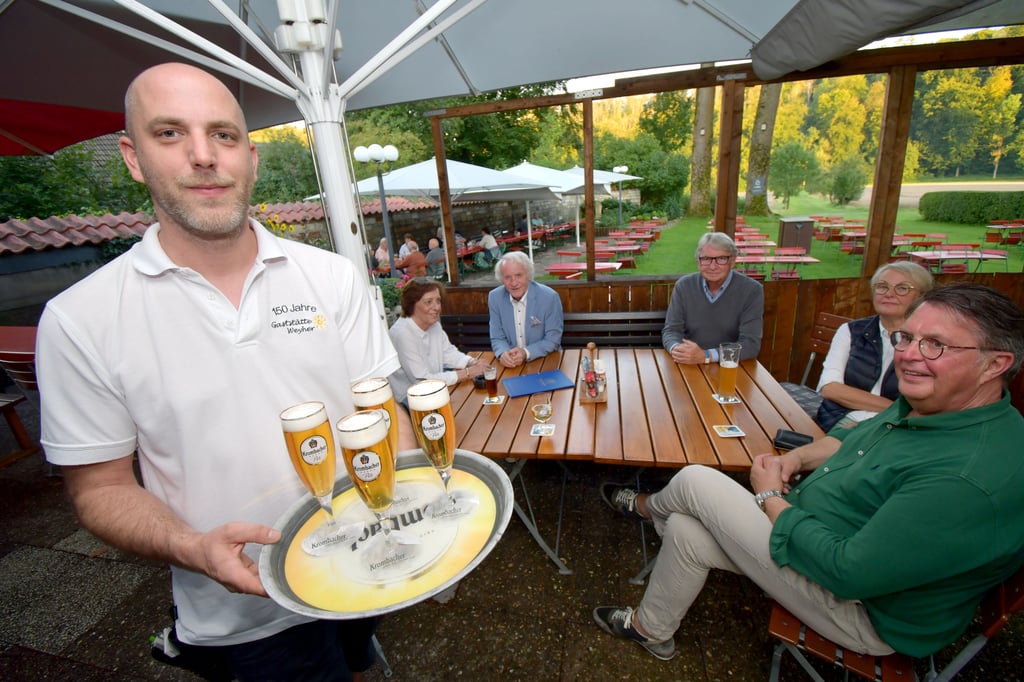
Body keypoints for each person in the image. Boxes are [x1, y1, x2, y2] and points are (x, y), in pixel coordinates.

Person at [34, 62, 417, 682]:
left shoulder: (331, 277)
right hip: (243, 610)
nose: (203, 155)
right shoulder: (81, 319)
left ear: (252, 156)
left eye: (223, 134)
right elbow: (100, 489)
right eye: (169, 133)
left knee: (357, 663)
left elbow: (375, 409)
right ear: (133, 157)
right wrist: (192, 549)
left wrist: (414, 511)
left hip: (364, 561)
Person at [594, 283, 1024, 663]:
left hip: (860, 610)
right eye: (906, 338)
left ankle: (648, 507)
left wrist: (768, 498)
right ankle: (651, 628)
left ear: (994, 364)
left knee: (694, 479)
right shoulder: (929, 405)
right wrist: (794, 461)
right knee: (687, 528)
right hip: (812, 529)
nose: (908, 355)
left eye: (936, 345)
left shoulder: (963, 478)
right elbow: (850, 439)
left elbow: (847, 571)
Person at [815, 261, 934, 431]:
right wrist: (894, 407)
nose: (889, 294)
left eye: (902, 288)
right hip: (838, 419)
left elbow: (926, 404)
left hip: (895, 427)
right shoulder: (851, 331)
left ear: (921, 296)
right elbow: (829, 388)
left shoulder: (930, 342)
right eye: (882, 286)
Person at [662, 232, 763, 365]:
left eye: (721, 259)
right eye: (706, 259)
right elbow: (671, 330)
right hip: (688, 363)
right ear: (698, 261)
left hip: (731, 367)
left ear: (732, 261)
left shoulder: (751, 290)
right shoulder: (684, 286)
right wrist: (677, 349)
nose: (712, 266)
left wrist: (707, 356)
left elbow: (750, 344)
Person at [388, 278, 489, 404]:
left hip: (436, 388)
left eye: (438, 301)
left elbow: (448, 352)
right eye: (428, 302)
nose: (436, 307)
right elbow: (423, 381)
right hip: (410, 398)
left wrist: (472, 362)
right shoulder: (402, 334)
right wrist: (468, 372)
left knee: (477, 401)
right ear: (411, 305)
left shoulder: (433, 323)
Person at [488, 251, 563, 368]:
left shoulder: (549, 297)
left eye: (518, 275)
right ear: (502, 279)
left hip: (545, 360)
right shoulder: (495, 297)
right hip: (511, 364)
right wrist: (503, 353)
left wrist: (525, 353)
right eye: (507, 277)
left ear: (528, 275)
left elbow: (553, 339)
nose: (513, 282)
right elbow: (497, 336)